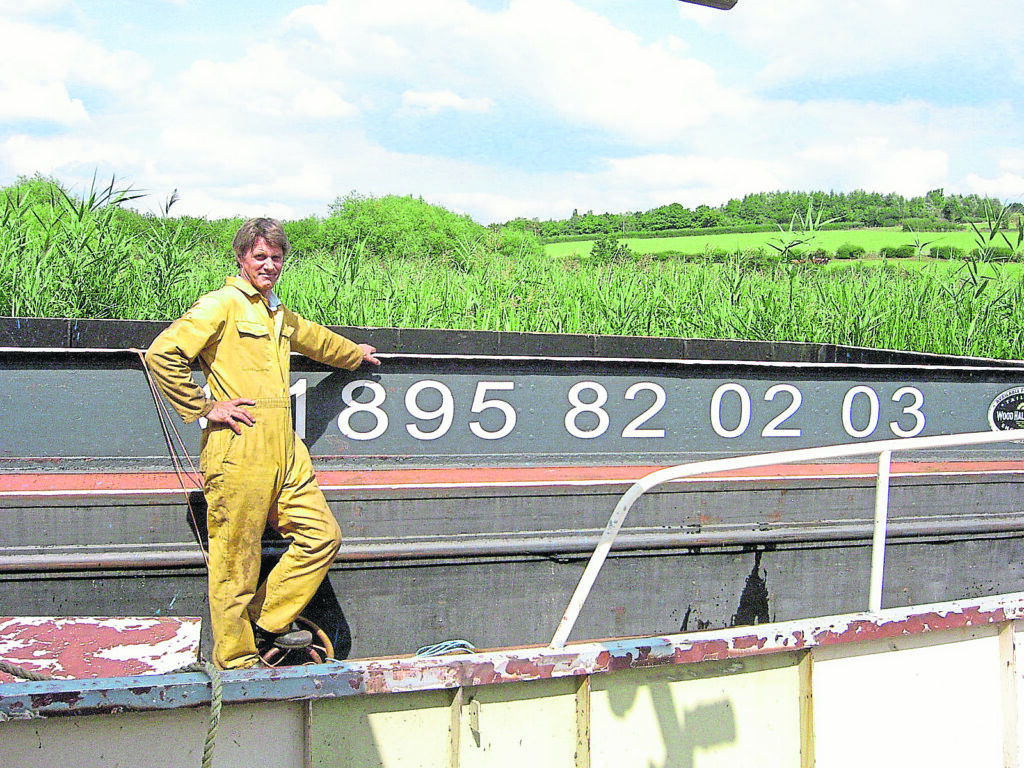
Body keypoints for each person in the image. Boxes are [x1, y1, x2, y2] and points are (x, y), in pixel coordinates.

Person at [145, 217, 380, 669]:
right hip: (240, 444)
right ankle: (234, 661)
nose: (269, 265)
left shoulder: (277, 313)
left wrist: (357, 355)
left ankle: (260, 620)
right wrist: (203, 406)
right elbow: (163, 353)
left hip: (285, 447)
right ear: (241, 258)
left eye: (276, 257)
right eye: (260, 256)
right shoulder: (221, 305)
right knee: (236, 560)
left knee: (321, 536)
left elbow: (318, 340)